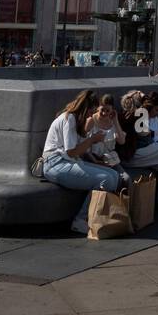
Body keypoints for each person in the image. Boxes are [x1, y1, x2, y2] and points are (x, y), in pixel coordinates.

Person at [41, 90, 123, 234]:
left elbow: (79, 151)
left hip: (68, 161)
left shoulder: (76, 120)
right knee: (105, 179)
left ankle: (98, 217)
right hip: (55, 164)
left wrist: (97, 161)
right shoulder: (69, 118)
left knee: (114, 176)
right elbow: (71, 151)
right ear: (86, 108)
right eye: (91, 111)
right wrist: (92, 139)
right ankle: (81, 220)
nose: (91, 115)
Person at [84, 94, 126, 171]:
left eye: (107, 111)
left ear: (112, 110)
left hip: (110, 159)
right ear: (98, 108)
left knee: (126, 178)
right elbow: (83, 142)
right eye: (102, 110)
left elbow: (122, 141)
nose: (104, 113)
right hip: (93, 159)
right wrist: (94, 160)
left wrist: (115, 121)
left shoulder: (113, 122)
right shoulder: (91, 120)